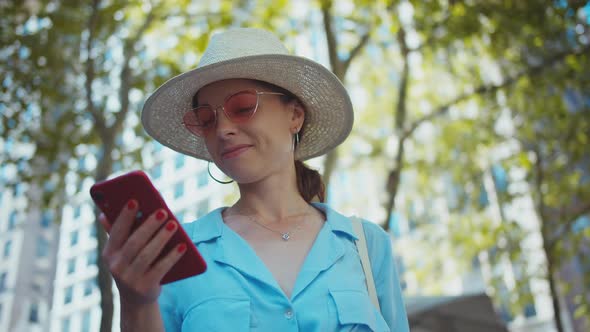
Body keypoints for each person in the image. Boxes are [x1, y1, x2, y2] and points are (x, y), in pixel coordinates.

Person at [100, 28, 409, 332]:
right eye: (207, 119)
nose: (222, 130)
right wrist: (136, 303)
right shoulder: (176, 254)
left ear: (295, 115)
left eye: (243, 107)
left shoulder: (366, 245)